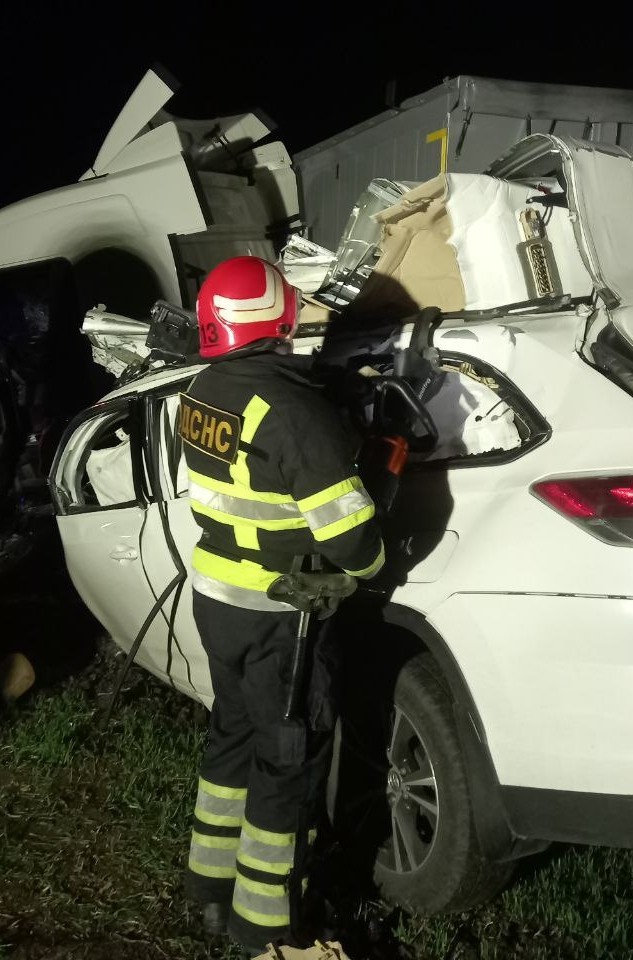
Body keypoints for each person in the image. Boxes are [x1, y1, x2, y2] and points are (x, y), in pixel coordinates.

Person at [178, 256, 385, 955]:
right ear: (280, 319)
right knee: (286, 762)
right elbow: (352, 537)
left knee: (232, 735)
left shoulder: (203, 389)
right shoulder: (296, 412)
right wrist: (376, 562)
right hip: (280, 615)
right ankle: (265, 924)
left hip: (217, 597)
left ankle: (208, 887)